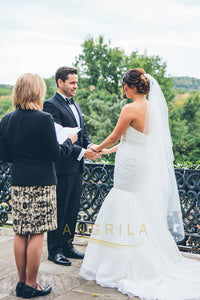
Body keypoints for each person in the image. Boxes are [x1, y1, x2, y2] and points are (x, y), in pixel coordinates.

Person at [80, 68, 200, 299]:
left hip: (129, 166)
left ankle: (124, 261)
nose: (123, 89)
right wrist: (107, 151)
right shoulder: (152, 109)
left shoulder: (130, 108)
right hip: (140, 161)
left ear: (131, 86)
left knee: (124, 199)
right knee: (137, 203)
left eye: (124, 85)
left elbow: (116, 135)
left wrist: (95, 148)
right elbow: (134, 141)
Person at [0, 73, 77, 298]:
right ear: (37, 92)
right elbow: (54, 154)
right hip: (42, 182)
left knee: (20, 232)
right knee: (37, 233)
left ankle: (21, 282)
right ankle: (32, 285)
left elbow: (4, 155)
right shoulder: (43, 119)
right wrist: (69, 143)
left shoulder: (7, 119)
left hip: (19, 182)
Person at [43, 66, 100, 266]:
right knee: (58, 210)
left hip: (76, 168)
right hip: (61, 168)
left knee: (72, 209)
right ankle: (55, 251)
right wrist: (84, 152)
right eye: (72, 82)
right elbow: (57, 139)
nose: (76, 86)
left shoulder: (76, 105)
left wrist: (92, 146)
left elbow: (82, 134)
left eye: (77, 82)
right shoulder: (50, 106)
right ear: (60, 82)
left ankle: (67, 245)